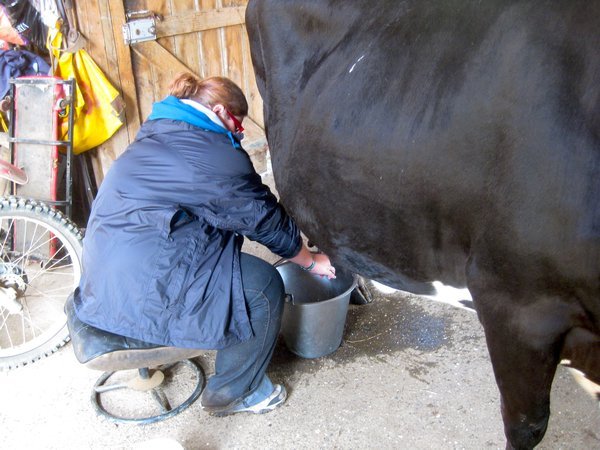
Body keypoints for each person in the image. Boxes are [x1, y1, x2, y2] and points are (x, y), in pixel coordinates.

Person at [73, 72, 336, 416]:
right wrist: (310, 261)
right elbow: (261, 217)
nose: (239, 133)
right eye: (238, 124)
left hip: (105, 281)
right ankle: (235, 392)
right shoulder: (211, 153)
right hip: (138, 296)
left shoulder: (163, 128)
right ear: (221, 111)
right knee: (263, 286)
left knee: (230, 262)